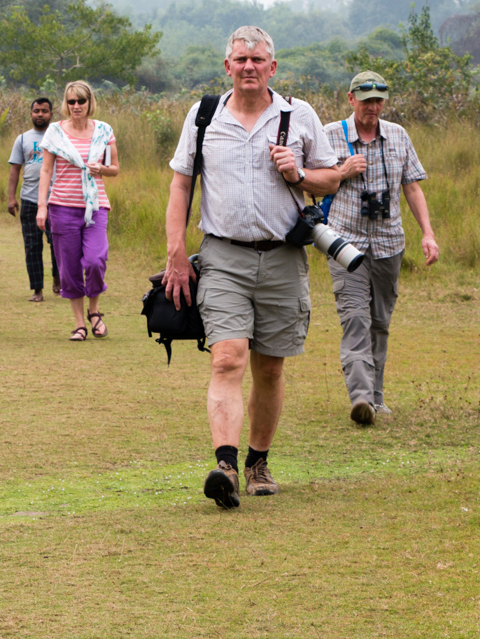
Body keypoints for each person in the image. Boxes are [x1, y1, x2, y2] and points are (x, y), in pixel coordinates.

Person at [164, 26, 340, 509]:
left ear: (272, 67)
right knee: (227, 358)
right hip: (223, 254)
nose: (248, 66)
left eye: (257, 59)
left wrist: (299, 174)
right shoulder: (203, 116)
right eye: (240, 59)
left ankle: (258, 462)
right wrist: (176, 251)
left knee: (270, 367)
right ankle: (224, 465)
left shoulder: (298, 115)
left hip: (284, 256)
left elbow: (330, 182)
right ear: (227, 66)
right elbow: (181, 185)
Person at [323, 71, 439, 426]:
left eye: (378, 100)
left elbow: (413, 188)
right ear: (351, 98)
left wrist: (427, 233)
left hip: (389, 242)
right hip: (346, 243)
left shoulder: (398, 136)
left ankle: (376, 396)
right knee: (355, 318)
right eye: (366, 99)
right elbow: (306, 182)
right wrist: (342, 172)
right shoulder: (329, 135)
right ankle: (361, 399)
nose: (372, 106)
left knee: (379, 321)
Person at [36, 81, 119, 341]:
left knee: (95, 260)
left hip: (95, 206)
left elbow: (114, 168)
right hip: (62, 206)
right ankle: (80, 323)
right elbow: (46, 170)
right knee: (69, 267)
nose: (76, 106)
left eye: (81, 101)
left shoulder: (104, 130)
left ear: (89, 102)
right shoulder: (55, 132)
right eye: (71, 102)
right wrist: (42, 206)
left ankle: (95, 312)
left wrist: (100, 169)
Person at [7, 98, 61, 302]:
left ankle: (58, 279)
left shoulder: (59, 137)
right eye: (36, 111)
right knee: (32, 245)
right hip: (29, 199)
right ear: (31, 114)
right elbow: (14, 171)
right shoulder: (22, 139)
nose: (40, 114)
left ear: (51, 114)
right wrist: (11, 198)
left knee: (57, 242)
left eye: (44, 111)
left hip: (56, 199)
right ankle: (37, 290)